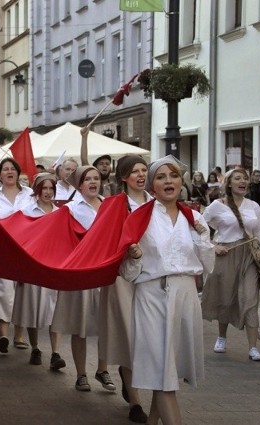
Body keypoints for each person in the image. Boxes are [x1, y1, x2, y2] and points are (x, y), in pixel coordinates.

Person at [120, 156, 214, 425]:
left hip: (185, 296)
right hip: (152, 296)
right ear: (152, 185)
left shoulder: (194, 217)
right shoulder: (141, 218)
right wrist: (134, 257)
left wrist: (202, 238)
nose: (168, 181)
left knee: (168, 372)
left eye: (173, 175)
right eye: (161, 177)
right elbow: (127, 273)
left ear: (180, 181)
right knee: (163, 376)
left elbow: (208, 266)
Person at [52, 165, 115, 393]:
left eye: (96, 178)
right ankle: (81, 374)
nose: (92, 182)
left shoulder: (110, 206)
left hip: (105, 272)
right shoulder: (69, 208)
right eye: (87, 179)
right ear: (79, 184)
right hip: (80, 273)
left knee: (106, 325)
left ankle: (102, 369)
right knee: (80, 326)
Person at [99, 155, 150, 423]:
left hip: (152, 278)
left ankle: (134, 384)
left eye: (144, 170)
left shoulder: (157, 204)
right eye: (134, 171)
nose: (141, 175)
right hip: (122, 279)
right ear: (123, 177)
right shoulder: (114, 205)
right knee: (130, 338)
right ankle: (136, 402)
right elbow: (104, 240)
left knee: (147, 339)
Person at [201, 168, 260, 362]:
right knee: (225, 298)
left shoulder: (254, 206)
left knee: (250, 299)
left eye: (245, 179)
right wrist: (213, 246)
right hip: (225, 254)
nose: (243, 181)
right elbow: (198, 228)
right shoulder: (217, 205)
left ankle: (253, 348)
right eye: (238, 178)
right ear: (229, 183)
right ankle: (222, 337)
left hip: (248, 256)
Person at [13, 173, 65, 370]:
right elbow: (20, 239)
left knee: (56, 311)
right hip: (33, 266)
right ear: (38, 191)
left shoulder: (61, 212)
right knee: (33, 309)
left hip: (55, 266)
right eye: (45, 189)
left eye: (52, 189)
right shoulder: (27, 211)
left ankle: (56, 352)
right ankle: (35, 347)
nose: (49, 192)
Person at [0, 158, 35, 353]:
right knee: (2, 292)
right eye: (5, 169)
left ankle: (19, 335)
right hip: (2, 251)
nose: (9, 172)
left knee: (22, 292)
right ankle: (3, 335)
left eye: (12, 168)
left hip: (26, 249)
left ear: (18, 172)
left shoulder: (30, 195)